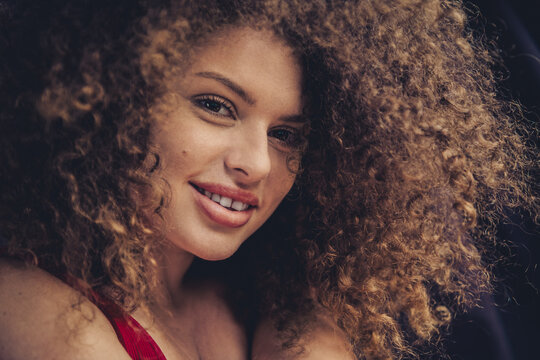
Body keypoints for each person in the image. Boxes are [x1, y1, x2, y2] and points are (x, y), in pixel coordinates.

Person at [0, 0, 536, 359]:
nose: (257, 164)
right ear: (104, 95)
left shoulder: (278, 303)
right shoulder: (28, 303)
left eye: (287, 135)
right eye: (216, 106)